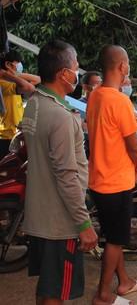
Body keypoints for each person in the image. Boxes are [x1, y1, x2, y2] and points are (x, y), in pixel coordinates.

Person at [20, 40, 97, 305]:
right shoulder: (61, 117)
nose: (77, 72)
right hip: (59, 222)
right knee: (57, 293)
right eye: (75, 66)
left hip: (39, 216)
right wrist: (84, 224)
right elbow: (67, 175)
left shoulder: (35, 104)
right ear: (64, 73)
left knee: (48, 286)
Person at [87, 45, 137, 305]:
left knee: (114, 236)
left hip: (99, 179)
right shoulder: (119, 100)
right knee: (115, 240)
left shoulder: (95, 95)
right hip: (117, 181)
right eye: (128, 63)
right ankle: (102, 294)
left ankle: (124, 282)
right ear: (122, 66)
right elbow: (133, 145)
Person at [0, 50, 40, 158]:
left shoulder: (13, 81)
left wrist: (13, 74)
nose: (19, 65)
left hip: (14, 134)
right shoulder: (2, 83)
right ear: (8, 64)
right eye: (17, 62)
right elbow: (29, 87)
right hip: (4, 137)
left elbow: (37, 79)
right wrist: (7, 74)